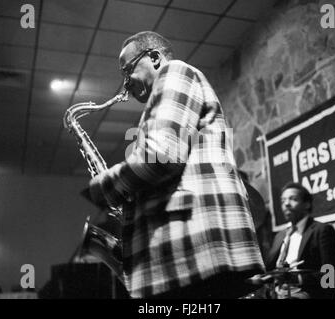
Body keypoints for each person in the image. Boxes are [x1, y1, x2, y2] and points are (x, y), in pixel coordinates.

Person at [89, 31, 265, 299]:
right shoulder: (166, 95)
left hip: (193, 252)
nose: (125, 83)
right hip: (188, 257)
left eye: (128, 69)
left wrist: (103, 187)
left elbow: (161, 155)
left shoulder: (175, 71)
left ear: (155, 58)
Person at [250, 182, 335, 299]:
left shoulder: (322, 231)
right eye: (283, 201)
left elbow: (332, 278)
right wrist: (262, 277)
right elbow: (271, 270)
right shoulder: (280, 236)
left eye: (293, 199)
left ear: (307, 204)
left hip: (309, 294)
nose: (286, 204)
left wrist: (296, 278)